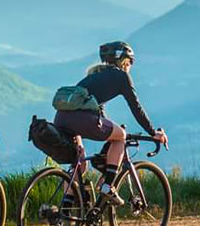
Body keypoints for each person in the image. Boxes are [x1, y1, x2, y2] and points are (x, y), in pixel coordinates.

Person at [53, 41, 168, 206]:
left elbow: (99, 112)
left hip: (61, 119)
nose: (130, 66)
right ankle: (107, 186)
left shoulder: (94, 76)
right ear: (123, 61)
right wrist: (153, 132)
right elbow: (136, 107)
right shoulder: (121, 76)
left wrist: (110, 130)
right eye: (130, 62)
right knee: (121, 136)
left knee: (80, 165)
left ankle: (64, 212)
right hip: (81, 119)